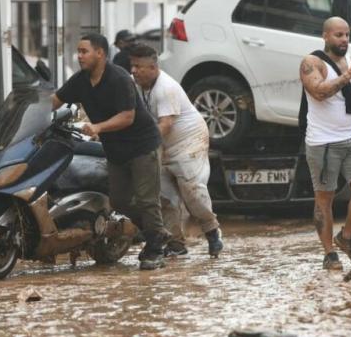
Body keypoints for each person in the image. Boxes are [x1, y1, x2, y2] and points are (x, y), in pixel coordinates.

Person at [51, 33, 168, 271]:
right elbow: (55, 100)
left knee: (147, 200)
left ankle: (155, 248)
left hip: (142, 146)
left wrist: (98, 127)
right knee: (119, 202)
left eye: (84, 51)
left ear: (100, 54)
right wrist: (30, 114)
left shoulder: (119, 78)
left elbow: (128, 116)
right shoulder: (81, 80)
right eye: (79, 51)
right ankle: (156, 232)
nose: (79, 56)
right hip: (115, 150)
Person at [299, 17, 351, 271]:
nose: (344, 40)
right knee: (325, 198)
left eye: (347, 35)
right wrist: (350, 74)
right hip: (322, 142)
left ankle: (345, 237)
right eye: (338, 35)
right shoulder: (312, 63)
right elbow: (319, 91)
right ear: (325, 36)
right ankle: (329, 253)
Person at [129, 44, 224, 258]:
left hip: (188, 141)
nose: (134, 71)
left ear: (153, 67)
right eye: (132, 65)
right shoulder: (136, 84)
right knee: (165, 197)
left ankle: (212, 232)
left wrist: (142, 146)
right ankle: (175, 244)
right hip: (161, 144)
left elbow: (166, 124)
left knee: (192, 191)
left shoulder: (166, 88)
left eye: (139, 67)